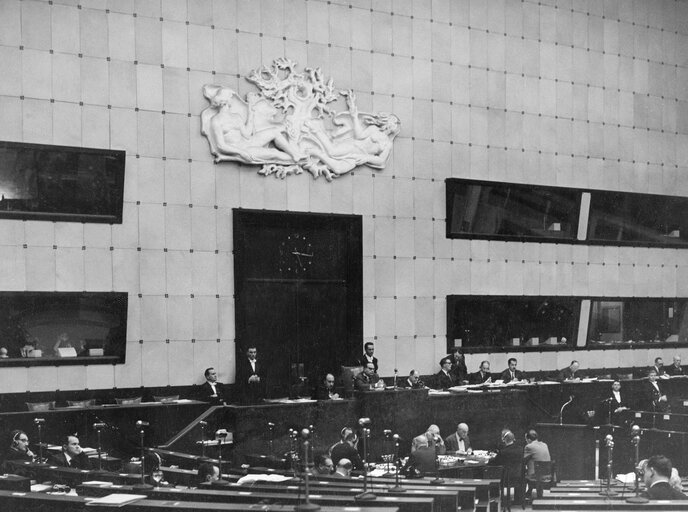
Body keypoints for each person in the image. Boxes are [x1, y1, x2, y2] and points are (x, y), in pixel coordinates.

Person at [492, 430, 524, 505]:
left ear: (504, 440)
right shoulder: (521, 449)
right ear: (513, 439)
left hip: (506, 478)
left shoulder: (503, 452)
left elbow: (495, 462)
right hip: (519, 476)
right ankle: (518, 500)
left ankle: (495, 499)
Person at [523, 429, 551, 500]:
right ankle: (529, 492)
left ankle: (521, 497)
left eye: (526, 439)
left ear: (529, 439)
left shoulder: (529, 446)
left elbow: (523, 460)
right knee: (533, 464)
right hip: (547, 474)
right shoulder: (545, 444)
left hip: (536, 474)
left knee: (526, 469)